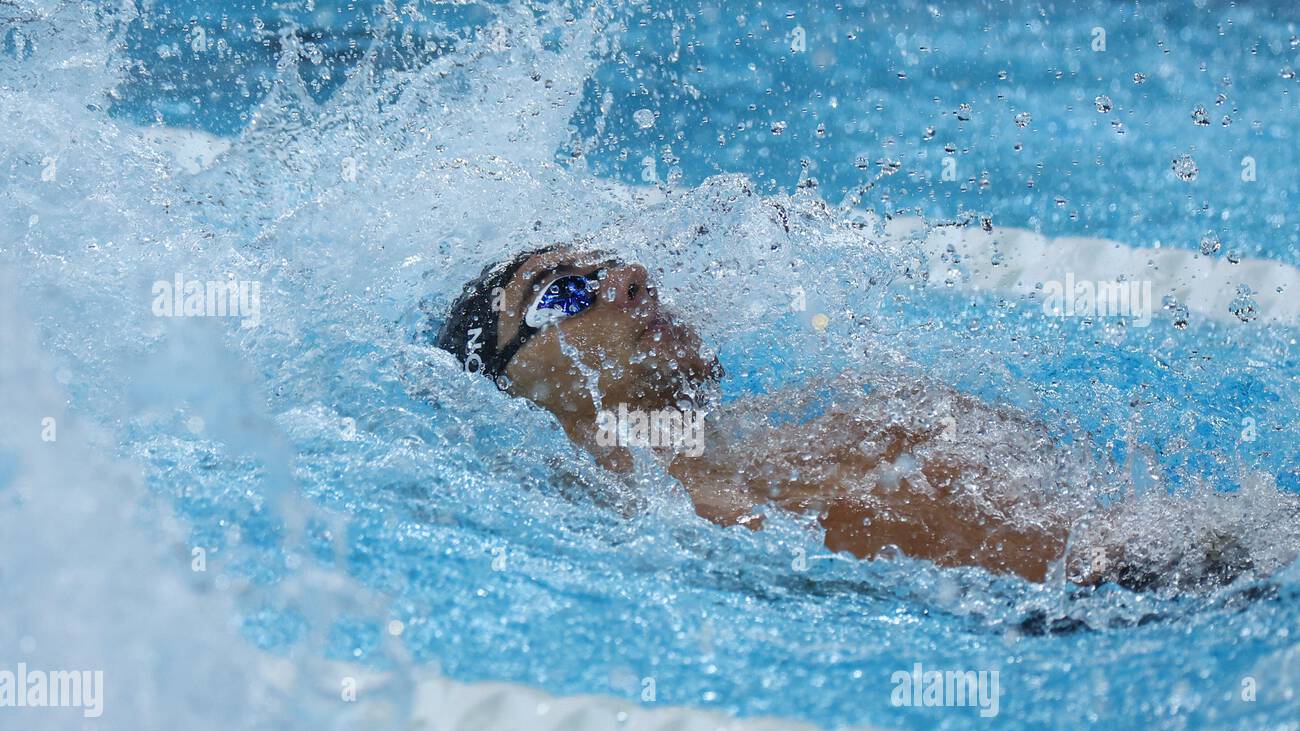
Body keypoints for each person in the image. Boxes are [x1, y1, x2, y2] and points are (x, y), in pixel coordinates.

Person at [429, 244, 1254, 588]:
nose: (631, 279)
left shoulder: (744, 440)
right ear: (515, 388)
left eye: (612, 262)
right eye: (565, 292)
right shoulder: (680, 507)